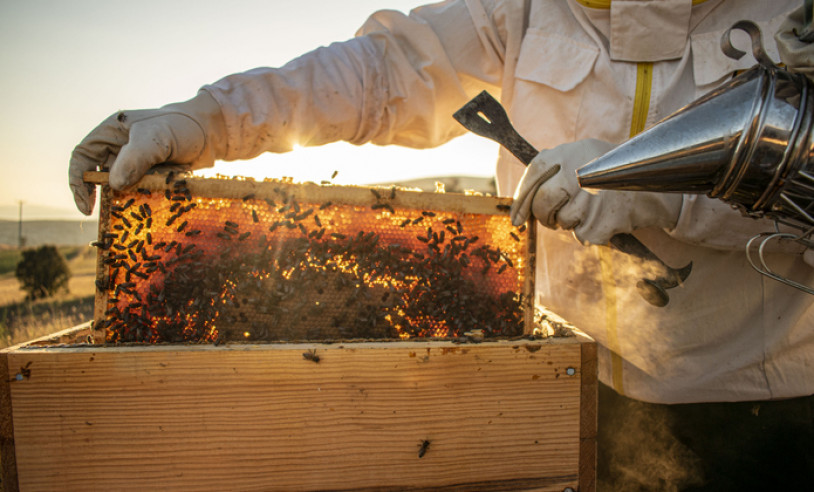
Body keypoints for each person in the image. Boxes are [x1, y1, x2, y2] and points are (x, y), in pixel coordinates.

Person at [70, 1, 814, 488]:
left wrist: (661, 187)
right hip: (559, 388)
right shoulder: (525, 11)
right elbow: (381, 74)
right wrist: (202, 121)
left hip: (759, 410)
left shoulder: (790, 17)